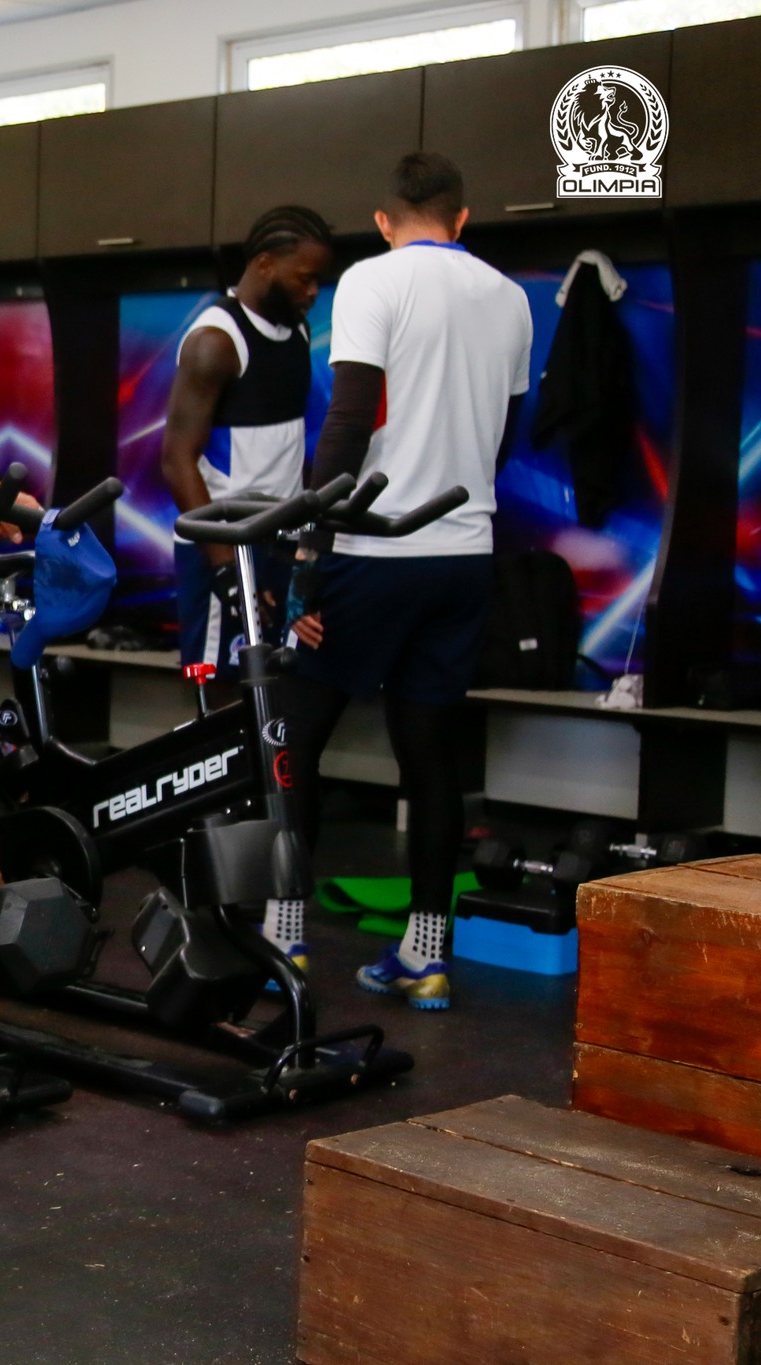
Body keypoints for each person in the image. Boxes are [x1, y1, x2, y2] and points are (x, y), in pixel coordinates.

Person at [281, 152, 531, 1012]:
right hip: (465, 554)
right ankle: (425, 956)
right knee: (431, 760)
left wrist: (309, 555)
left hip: (374, 551)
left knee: (296, 737)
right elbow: (506, 434)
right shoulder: (511, 298)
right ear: (463, 219)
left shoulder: (371, 281)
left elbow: (349, 421)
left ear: (386, 222)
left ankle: (284, 936)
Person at [158, 205, 332, 969]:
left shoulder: (291, 332)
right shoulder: (213, 340)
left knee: (278, 731)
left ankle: (274, 917)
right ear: (265, 263)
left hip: (275, 542)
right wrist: (231, 574)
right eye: (305, 277)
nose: (313, 292)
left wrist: (295, 558)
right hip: (219, 548)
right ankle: (215, 919)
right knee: (223, 732)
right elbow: (176, 460)